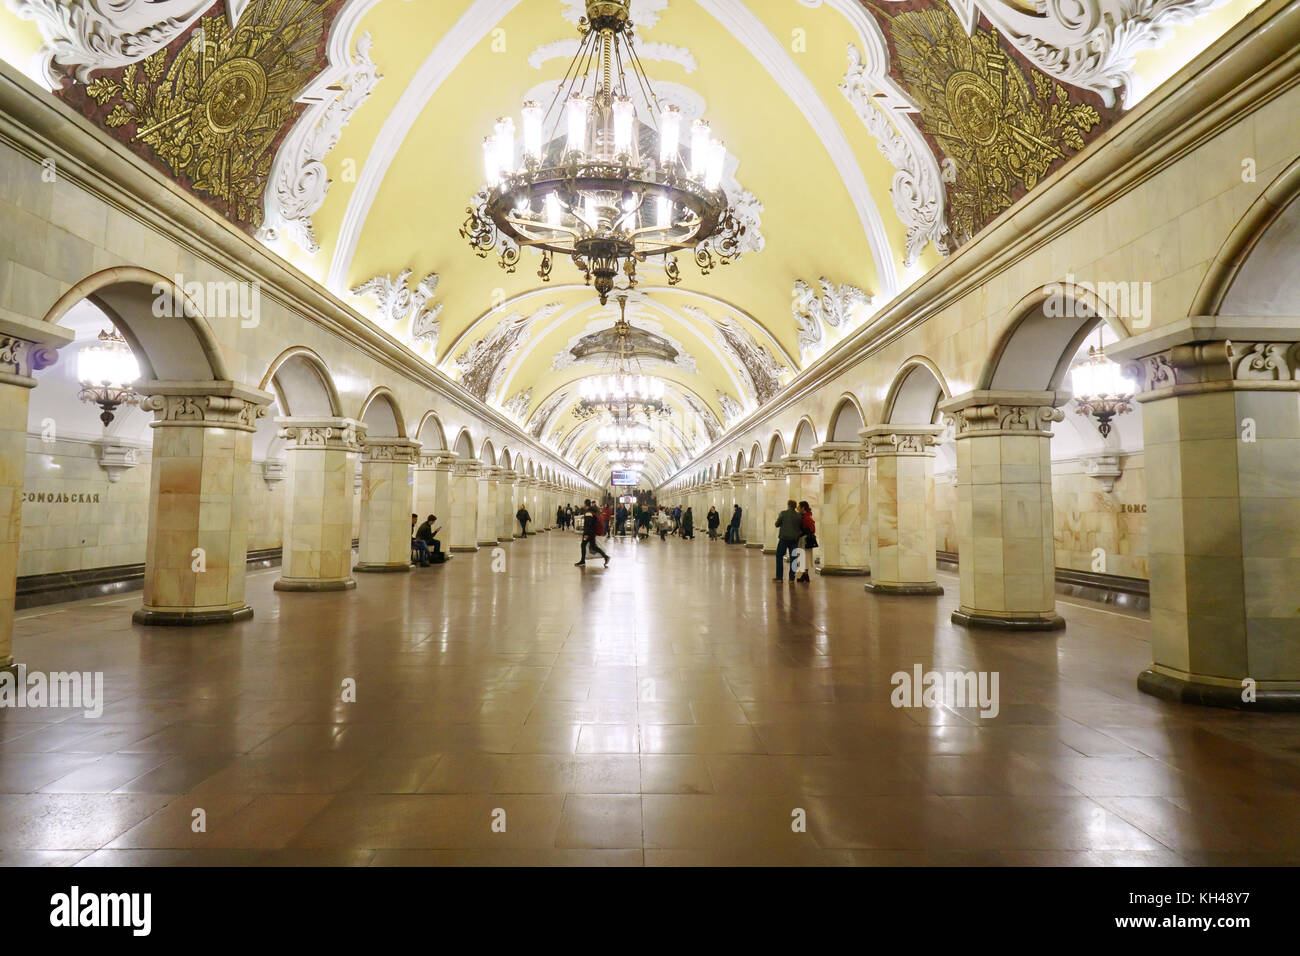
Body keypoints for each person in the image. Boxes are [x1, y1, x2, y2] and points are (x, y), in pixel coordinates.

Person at [774, 499, 802, 582]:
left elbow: (776, 524)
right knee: (794, 558)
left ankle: (779, 578)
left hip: (784, 539)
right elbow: (800, 527)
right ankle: (791, 578)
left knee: (779, 556)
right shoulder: (799, 516)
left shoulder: (783, 513)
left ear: (788, 505)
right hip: (794, 540)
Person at [797, 500, 817, 583]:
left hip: (805, 539)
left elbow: (811, 529)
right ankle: (805, 575)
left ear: (803, 508)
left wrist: (802, 532)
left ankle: (805, 575)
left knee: (804, 556)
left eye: (799, 506)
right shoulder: (807, 516)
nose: (797, 508)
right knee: (805, 557)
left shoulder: (806, 517)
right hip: (806, 539)